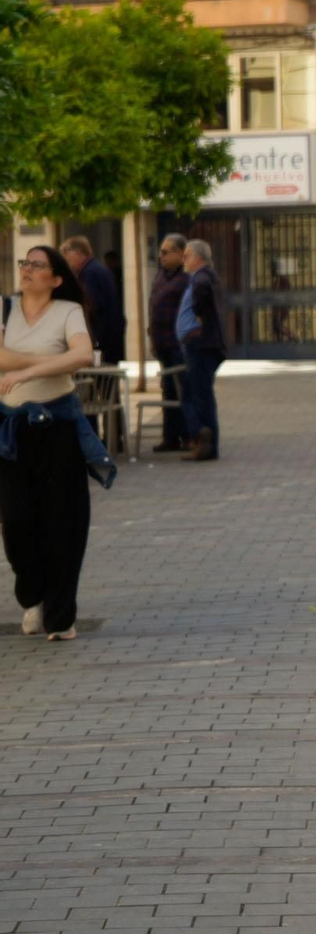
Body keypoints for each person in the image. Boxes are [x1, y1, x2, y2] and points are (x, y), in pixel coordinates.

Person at [0, 246, 117, 643]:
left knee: (63, 522)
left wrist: (28, 367)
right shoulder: (4, 309)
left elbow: (82, 354)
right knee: (16, 523)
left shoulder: (68, 312)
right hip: (13, 430)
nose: (27, 270)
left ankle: (61, 616)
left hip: (59, 427)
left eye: (37, 265)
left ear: (56, 278)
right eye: (24, 264)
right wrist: (49, 359)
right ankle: (33, 597)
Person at [177, 239, 227, 462]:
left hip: (201, 345)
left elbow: (202, 296)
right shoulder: (202, 276)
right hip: (202, 344)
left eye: (186, 255)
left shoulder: (202, 277)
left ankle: (203, 437)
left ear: (197, 257)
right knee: (196, 393)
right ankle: (203, 438)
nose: (183, 260)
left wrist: (198, 314)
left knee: (198, 395)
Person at [147, 234, 191, 453]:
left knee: (183, 389)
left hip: (178, 345)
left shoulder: (186, 278)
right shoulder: (161, 275)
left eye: (165, 252)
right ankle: (170, 436)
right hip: (162, 342)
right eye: (161, 252)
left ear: (180, 254)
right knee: (168, 390)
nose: (160, 256)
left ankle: (188, 435)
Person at [60, 235, 125, 365]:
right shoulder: (98, 269)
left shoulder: (89, 274)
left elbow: (90, 306)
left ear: (78, 253)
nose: (66, 260)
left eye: (67, 254)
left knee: (100, 381)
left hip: (101, 338)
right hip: (110, 336)